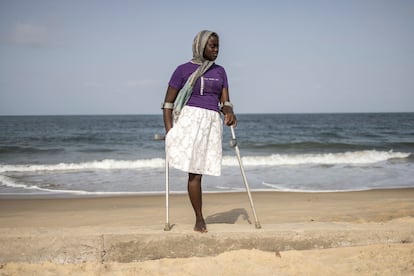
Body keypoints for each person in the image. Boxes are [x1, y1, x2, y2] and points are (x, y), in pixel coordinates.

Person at [161, 30, 237, 233]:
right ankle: (199, 218)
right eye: (212, 46)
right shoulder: (182, 70)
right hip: (190, 121)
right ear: (200, 46)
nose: (216, 50)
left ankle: (200, 217)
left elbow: (225, 101)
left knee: (203, 169)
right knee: (195, 173)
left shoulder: (220, 71)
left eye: (218, 46)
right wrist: (170, 132)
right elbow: (168, 103)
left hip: (212, 122)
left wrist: (229, 111)